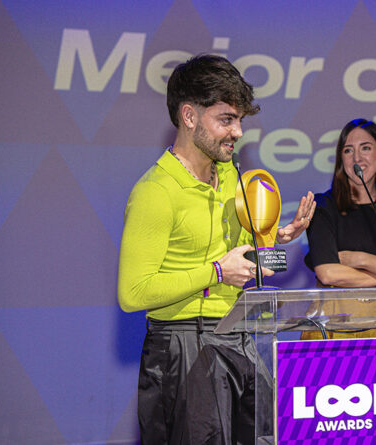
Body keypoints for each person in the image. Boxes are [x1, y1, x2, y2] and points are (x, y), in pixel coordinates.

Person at [117, 54, 315, 445]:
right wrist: (217, 272)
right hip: (181, 347)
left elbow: (243, 259)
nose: (238, 131)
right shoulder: (155, 192)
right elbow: (132, 293)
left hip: (238, 334)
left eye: (240, 120)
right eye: (226, 119)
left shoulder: (232, 176)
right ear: (189, 117)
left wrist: (272, 240)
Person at [303, 118, 376, 339]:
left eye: (365, 148)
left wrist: (357, 259)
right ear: (341, 161)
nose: (357, 157)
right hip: (331, 325)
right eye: (348, 150)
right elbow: (328, 273)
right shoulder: (323, 207)